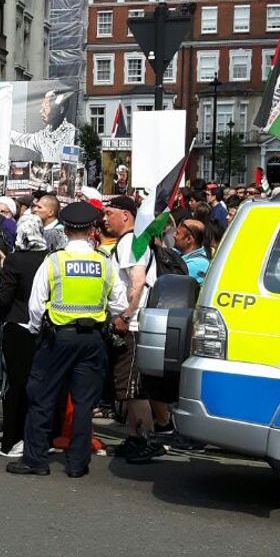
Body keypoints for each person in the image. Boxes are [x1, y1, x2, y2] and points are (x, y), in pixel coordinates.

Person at [7, 200, 128, 480]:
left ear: (65, 230)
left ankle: (36, 459)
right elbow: (120, 303)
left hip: (58, 338)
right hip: (93, 340)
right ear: (90, 230)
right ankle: (77, 463)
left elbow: (36, 305)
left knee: (42, 397)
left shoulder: (55, 261)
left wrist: (38, 331)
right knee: (85, 403)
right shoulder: (103, 263)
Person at [102, 194, 161, 465]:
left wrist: (125, 316)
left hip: (132, 326)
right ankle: (134, 438)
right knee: (125, 386)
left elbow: (136, 283)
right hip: (128, 323)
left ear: (126, 215)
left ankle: (147, 440)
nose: (104, 219)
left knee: (133, 388)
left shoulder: (130, 243)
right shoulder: (131, 242)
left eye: (108, 213)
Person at [0, 210, 48, 459]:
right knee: (40, 385)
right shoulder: (48, 259)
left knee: (14, 386)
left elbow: (5, 297)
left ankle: (11, 439)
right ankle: (37, 437)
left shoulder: (15, 261)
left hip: (17, 326)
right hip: (44, 328)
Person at [174, 217, 210, 286]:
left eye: (177, 233)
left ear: (189, 239)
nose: (173, 235)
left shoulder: (196, 264)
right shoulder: (180, 254)